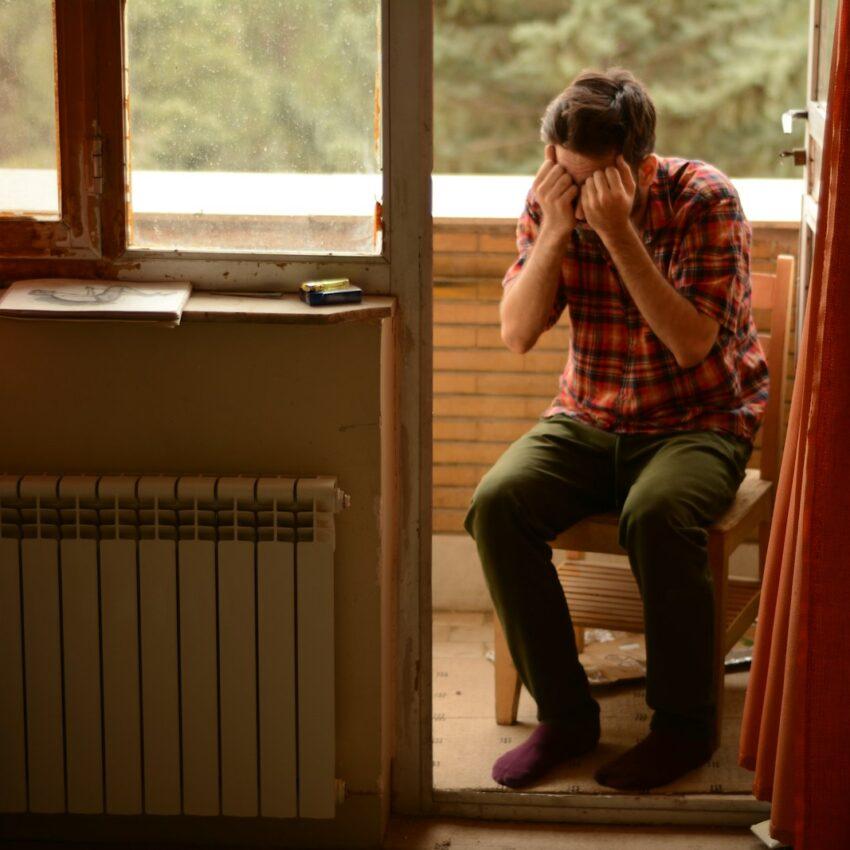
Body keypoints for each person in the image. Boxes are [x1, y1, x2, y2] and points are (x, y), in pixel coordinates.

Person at [464, 67, 768, 791]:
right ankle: (565, 719)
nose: (570, 190)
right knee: (496, 506)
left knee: (658, 514)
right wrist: (559, 228)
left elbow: (692, 343)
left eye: (591, 181)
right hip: (588, 416)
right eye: (560, 175)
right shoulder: (554, 202)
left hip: (700, 420)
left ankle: (683, 729)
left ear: (642, 167)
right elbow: (515, 332)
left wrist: (618, 232)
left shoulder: (705, 200)